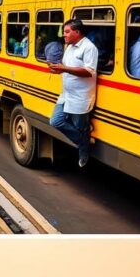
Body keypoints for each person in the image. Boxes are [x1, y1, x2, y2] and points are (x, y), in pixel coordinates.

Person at [49, 19, 98, 168]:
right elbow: (67, 67)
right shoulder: (69, 47)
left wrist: (63, 68)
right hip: (66, 95)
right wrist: (57, 69)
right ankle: (84, 142)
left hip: (80, 98)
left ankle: (83, 151)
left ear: (77, 32)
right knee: (55, 121)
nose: (64, 35)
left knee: (80, 126)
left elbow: (89, 72)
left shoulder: (89, 48)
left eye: (67, 32)